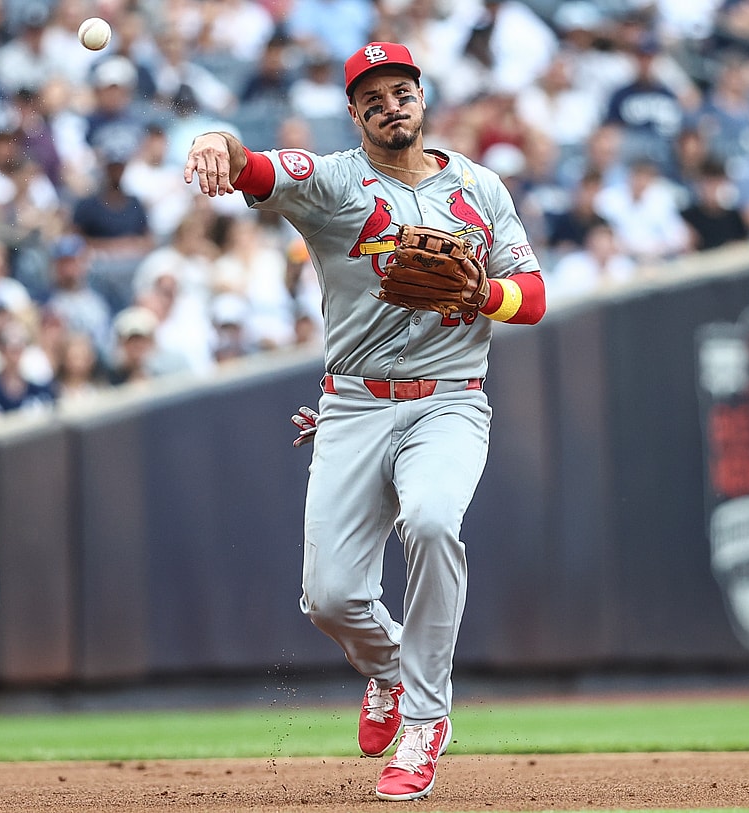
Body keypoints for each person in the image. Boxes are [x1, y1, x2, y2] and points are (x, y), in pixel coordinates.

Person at [184, 41, 546, 802]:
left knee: (434, 521)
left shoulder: (480, 186)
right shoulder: (334, 182)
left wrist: (484, 297)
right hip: (352, 405)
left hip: (450, 396)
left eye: (400, 89)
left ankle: (424, 719)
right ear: (355, 113)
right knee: (330, 597)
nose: (390, 104)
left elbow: (535, 297)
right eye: (372, 96)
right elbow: (256, 166)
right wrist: (217, 140)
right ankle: (386, 669)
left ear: (422, 97)